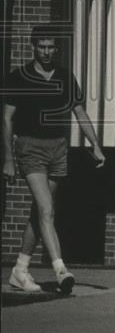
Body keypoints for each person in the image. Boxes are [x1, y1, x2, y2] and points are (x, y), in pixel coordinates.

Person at [3, 25, 106, 295]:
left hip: (58, 149)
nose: (47, 51)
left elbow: (80, 112)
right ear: (33, 47)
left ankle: (20, 271)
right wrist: (8, 158)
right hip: (29, 148)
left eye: (51, 47)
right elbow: (7, 117)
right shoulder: (19, 77)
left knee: (39, 213)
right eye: (42, 47)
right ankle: (60, 269)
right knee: (47, 210)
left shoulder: (64, 76)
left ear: (55, 49)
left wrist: (95, 144)